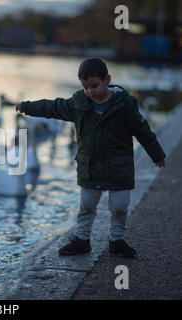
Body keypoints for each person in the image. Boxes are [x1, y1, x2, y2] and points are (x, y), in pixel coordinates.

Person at [15, 57, 165, 258]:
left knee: (119, 206)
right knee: (86, 205)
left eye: (94, 85)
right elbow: (52, 107)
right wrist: (27, 106)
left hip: (119, 167)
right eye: (85, 87)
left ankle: (117, 240)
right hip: (90, 167)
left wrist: (157, 154)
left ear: (107, 79)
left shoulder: (125, 106)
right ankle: (82, 240)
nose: (90, 91)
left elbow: (143, 131)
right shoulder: (79, 105)